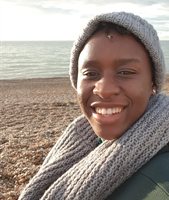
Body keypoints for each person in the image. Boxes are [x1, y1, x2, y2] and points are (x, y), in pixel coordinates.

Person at [19, 12, 169, 200]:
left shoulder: (160, 184)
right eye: (91, 73)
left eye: (125, 72)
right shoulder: (79, 139)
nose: (104, 90)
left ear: (152, 84)